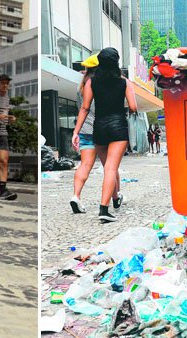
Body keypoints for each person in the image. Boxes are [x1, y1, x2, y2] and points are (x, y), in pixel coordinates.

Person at [77, 47, 137, 223]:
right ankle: (104, 209)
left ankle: (114, 200)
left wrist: (76, 131)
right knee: (111, 168)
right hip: (118, 127)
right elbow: (133, 107)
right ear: (116, 62)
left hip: (99, 128)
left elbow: (85, 108)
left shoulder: (91, 82)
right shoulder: (124, 82)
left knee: (106, 168)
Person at [70, 55, 120, 214]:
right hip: (102, 129)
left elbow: (82, 110)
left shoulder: (81, 87)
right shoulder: (104, 86)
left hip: (85, 130)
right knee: (111, 167)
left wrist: (76, 132)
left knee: (85, 165)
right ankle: (115, 197)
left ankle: (76, 196)